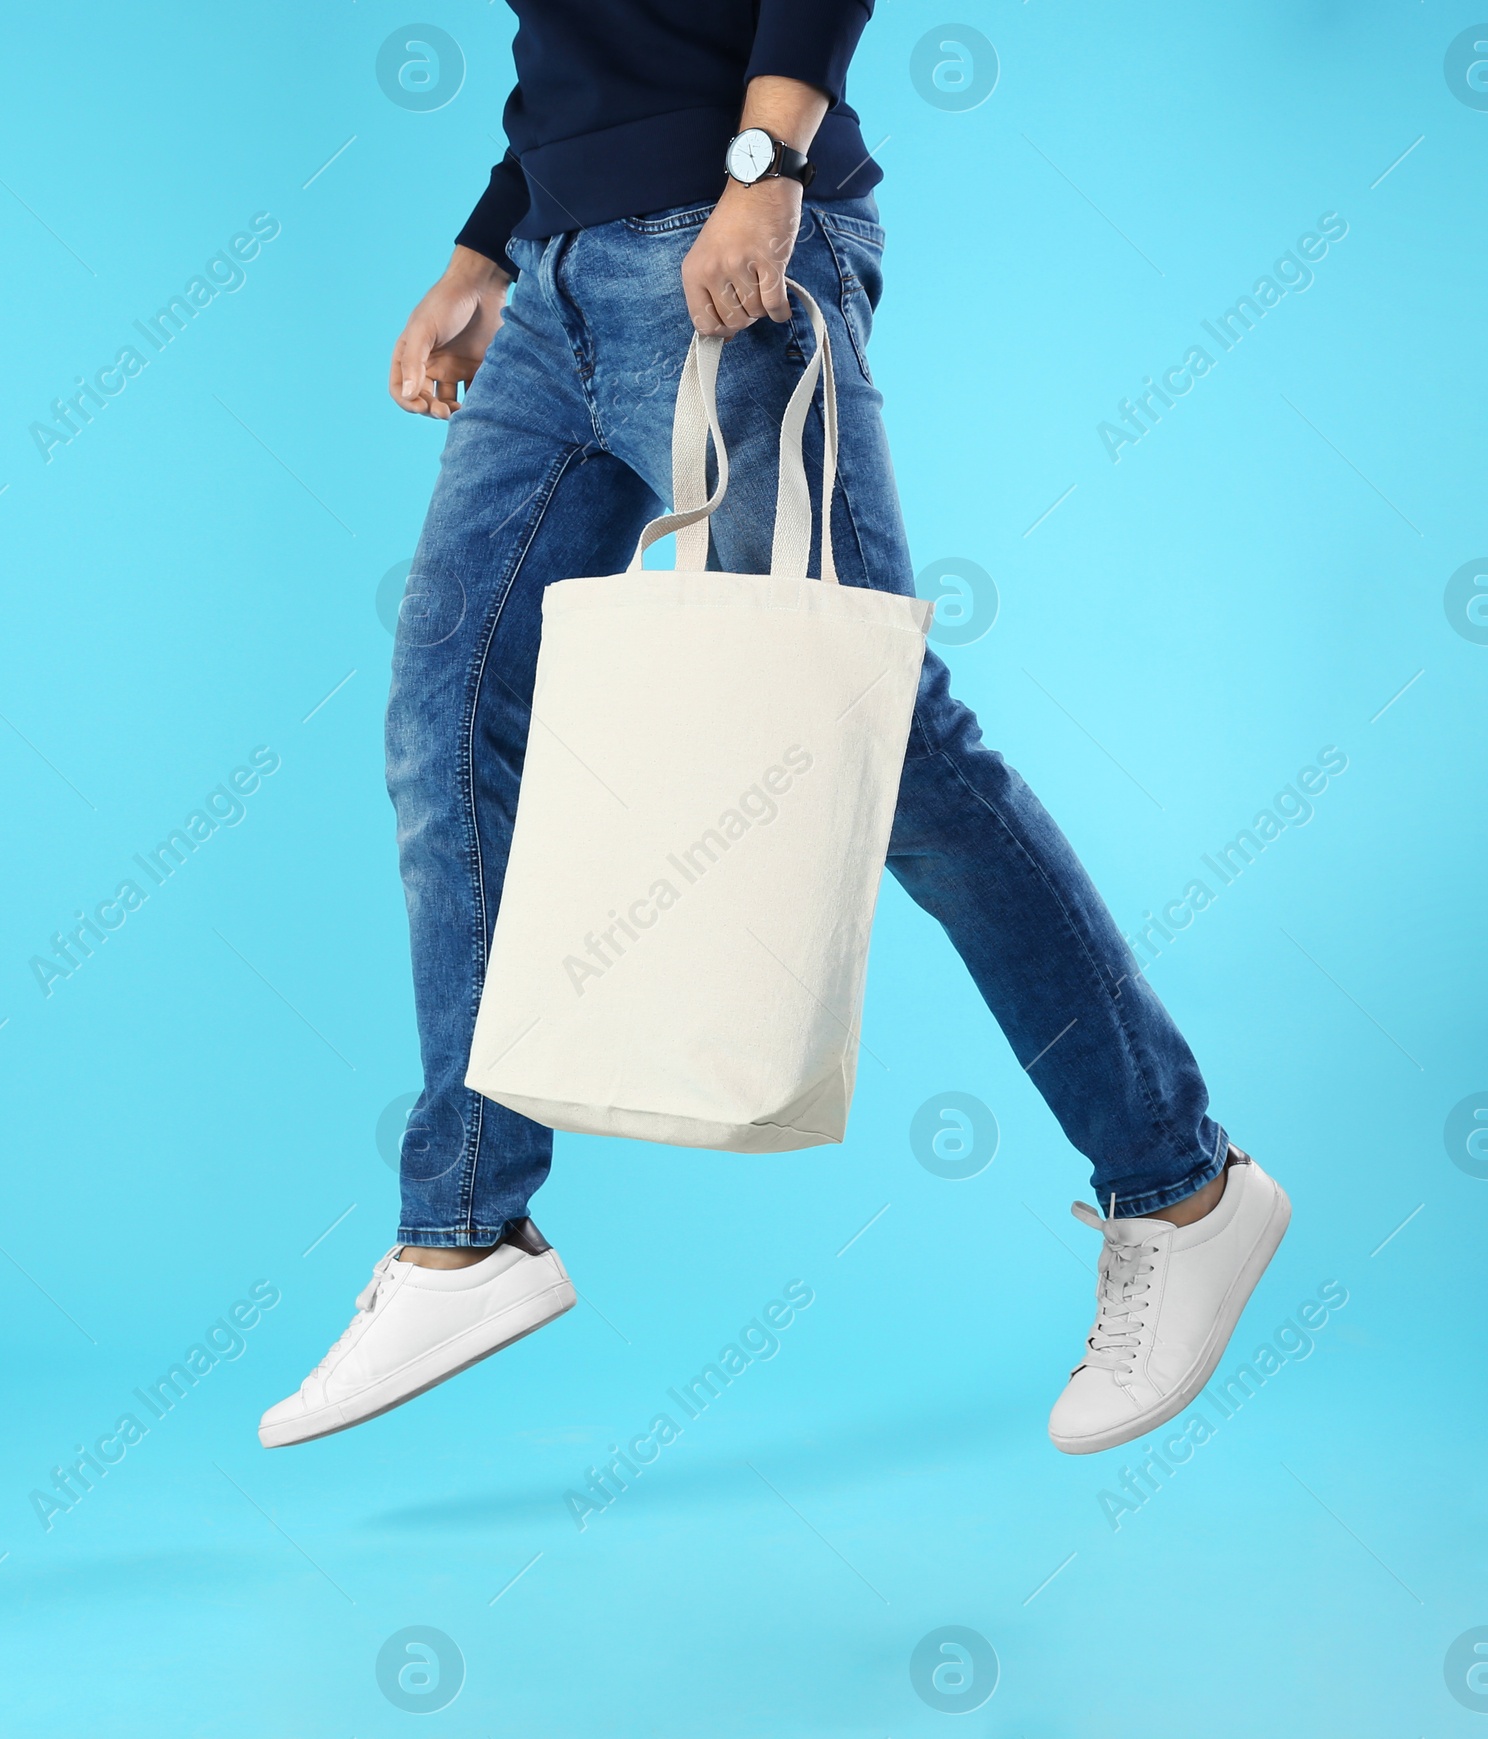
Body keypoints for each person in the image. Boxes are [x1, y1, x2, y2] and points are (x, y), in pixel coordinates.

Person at [259, 1, 1290, 1456]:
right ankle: (467, 1227)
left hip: (726, 247)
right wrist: (489, 246)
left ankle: (1184, 1188)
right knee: (444, 711)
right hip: (558, 276)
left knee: (877, 738)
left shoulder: (758, 191)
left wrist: (765, 165)